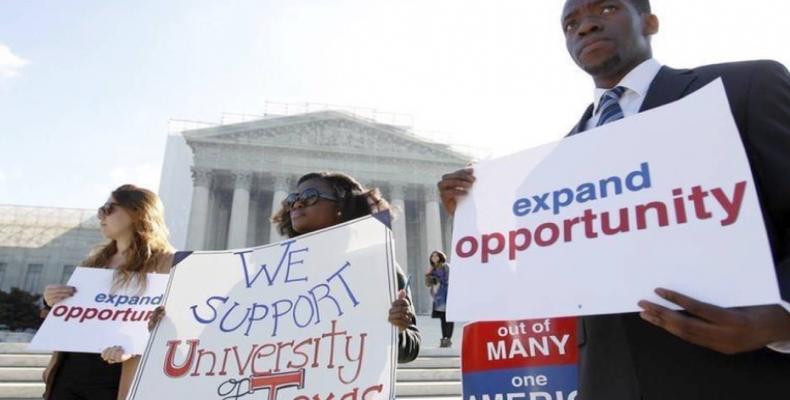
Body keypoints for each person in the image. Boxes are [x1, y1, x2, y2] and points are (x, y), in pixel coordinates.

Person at [438, 0, 790, 398]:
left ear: (650, 22)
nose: (584, 27)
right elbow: (541, 283)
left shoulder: (743, 89)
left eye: (606, 10)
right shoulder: (547, 170)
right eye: (570, 24)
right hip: (608, 381)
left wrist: (781, 320)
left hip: (741, 374)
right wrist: (475, 224)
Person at [148, 172, 421, 363]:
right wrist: (172, 329)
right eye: (293, 198)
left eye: (311, 196)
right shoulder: (266, 274)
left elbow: (409, 350)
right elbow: (216, 341)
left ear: (341, 207)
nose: (297, 203)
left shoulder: (376, 266)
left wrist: (396, 327)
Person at [41, 185, 174, 400]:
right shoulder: (93, 262)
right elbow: (73, 315)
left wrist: (134, 347)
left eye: (108, 208)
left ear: (137, 212)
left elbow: (173, 323)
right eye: (101, 209)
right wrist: (51, 302)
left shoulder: (166, 263)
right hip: (69, 371)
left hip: (117, 376)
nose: (100, 215)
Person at [425, 251, 454, 348]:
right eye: (432, 256)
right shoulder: (432, 269)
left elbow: (450, 279)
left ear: (440, 257)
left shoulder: (446, 266)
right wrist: (428, 274)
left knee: (448, 317)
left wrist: (437, 279)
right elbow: (428, 284)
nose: (434, 257)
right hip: (437, 296)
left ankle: (448, 339)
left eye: (436, 256)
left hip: (447, 294)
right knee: (442, 318)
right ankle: (444, 338)